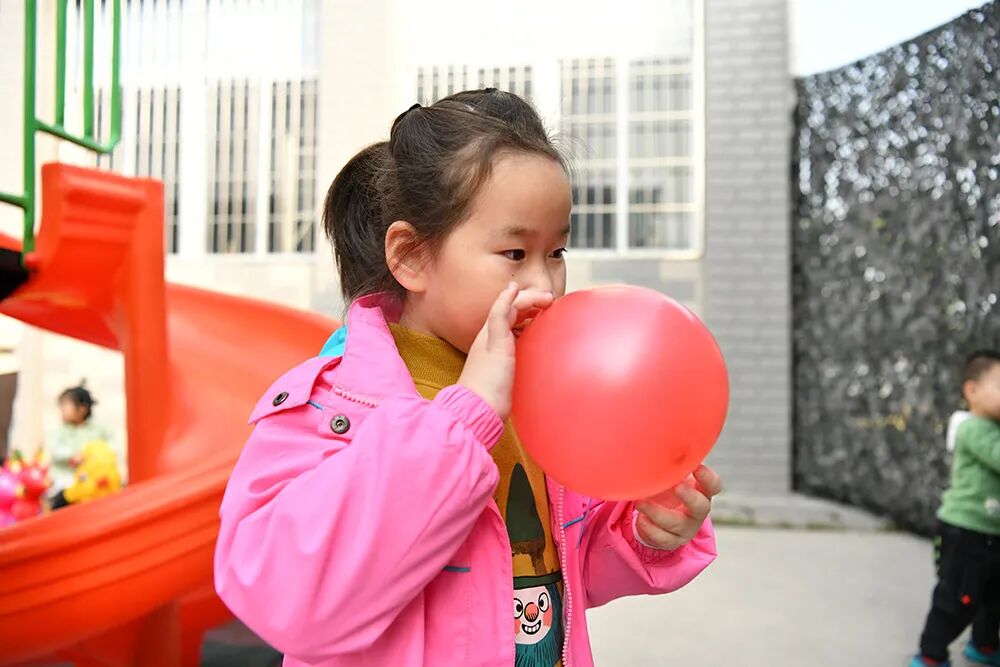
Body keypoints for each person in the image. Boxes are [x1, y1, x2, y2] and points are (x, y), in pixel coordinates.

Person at [215, 89, 720, 667]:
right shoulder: (330, 406)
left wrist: (641, 530)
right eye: (515, 253)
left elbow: (562, 566)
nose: (545, 284)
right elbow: (289, 598)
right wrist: (465, 417)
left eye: (557, 252)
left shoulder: (543, 393)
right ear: (411, 256)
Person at [914, 350, 1000, 666]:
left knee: (993, 597)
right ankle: (931, 655)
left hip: (992, 532)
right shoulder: (974, 429)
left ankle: (985, 645)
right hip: (966, 533)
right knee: (957, 598)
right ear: (972, 391)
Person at [46, 382, 115, 509]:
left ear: (82, 408)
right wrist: (71, 455)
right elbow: (55, 450)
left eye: (65, 406)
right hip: (66, 480)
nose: (62, 411)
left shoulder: (98, 428)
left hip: (92, 481)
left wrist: (91, 456)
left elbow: (111, 446)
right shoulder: (61, 431)